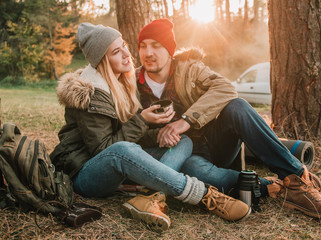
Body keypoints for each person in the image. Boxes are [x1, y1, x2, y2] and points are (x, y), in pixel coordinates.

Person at [50, 22, 251, 233]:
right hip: (85, 172)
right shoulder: (92, 93)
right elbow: (105, 151)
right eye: (116, 52)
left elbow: (129, 139)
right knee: (123, 151)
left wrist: (160, 134)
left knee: (181, 140)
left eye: (124, 46)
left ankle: (149, 197)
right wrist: (142, 121)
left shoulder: (123, 83)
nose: (127, 54)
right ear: (102, 60)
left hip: (118, 163)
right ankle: (203, 195)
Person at [136, 18, 321, 220]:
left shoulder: (188, 69)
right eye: (143, 46)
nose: (148, 53)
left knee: (238, 107)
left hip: (215, 142)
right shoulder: (131, 83)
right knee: (192, 170)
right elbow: (127, 131)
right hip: (182, 157)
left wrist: (186, 121)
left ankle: (297, 177)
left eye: (156, 45)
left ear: (169, 50)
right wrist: (158, 134)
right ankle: (273, 187)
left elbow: (226, 88)